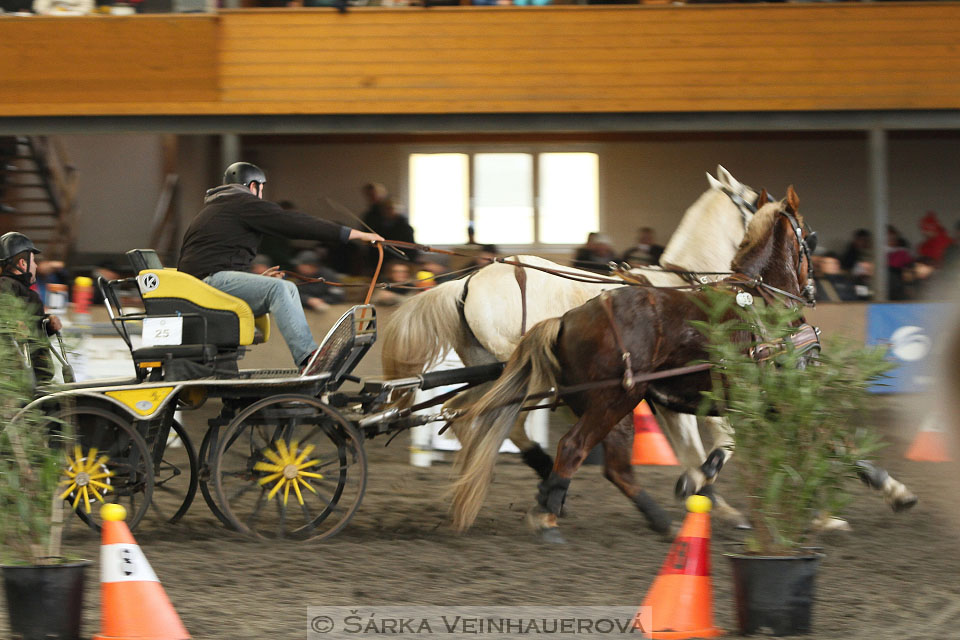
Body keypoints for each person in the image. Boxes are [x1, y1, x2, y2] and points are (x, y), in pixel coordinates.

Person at [177, 162, 382, 373]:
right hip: (209, 284)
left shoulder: (218, 208)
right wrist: (354, 235)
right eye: (261, 189)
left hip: (202, 287)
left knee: (276, 285)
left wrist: (253, 280)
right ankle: (309, 360)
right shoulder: (242, 202)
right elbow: (294, 223)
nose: (261, 194)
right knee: (281, 288)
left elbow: (215, 257)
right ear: (253, 185)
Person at [0, 232, 62, 383]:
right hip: (18, 379)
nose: (36, 266)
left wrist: (48, 323)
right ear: (23, 263)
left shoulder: (30, 295)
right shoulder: (5, 286)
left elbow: (33, 330)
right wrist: (13, 325)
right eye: (33, 261)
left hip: (35, 376)